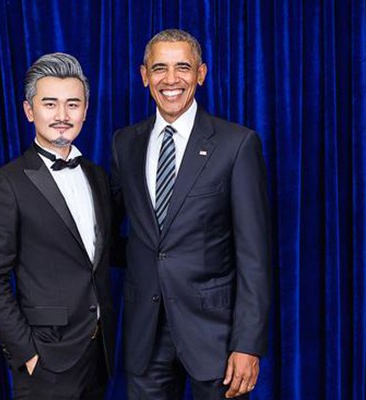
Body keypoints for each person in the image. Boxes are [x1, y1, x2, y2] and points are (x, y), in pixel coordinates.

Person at [111, 29, 271, 399]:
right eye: (159, 68)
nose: (171, 79)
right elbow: (111, 233)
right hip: (145, 335)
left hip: (216, 337)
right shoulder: (125, 143)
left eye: (182, 67)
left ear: (201, 74)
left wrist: (247, 344)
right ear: (144, 76)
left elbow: (254, 255)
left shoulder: (236, 144)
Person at [0, 52, 114, 399]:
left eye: (73, 104)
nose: (62, 116)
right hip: (46, 358)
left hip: (98, 355)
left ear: (85, 110)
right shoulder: (6, 183)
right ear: (29, 110)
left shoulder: (97, 176)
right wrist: (27, 353)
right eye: (50, 104)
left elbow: (102, 253)